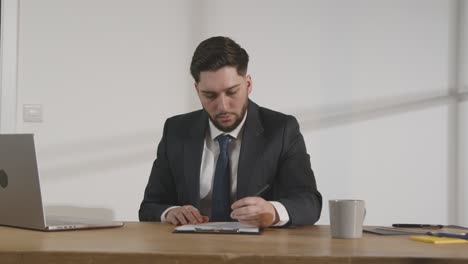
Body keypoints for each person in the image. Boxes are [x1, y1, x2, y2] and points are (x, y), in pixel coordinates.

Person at [139, 36, 322, 227]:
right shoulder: (176, 130)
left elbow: (309, 203)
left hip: (258, 252)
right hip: (190, 251)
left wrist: (273, 212)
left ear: (248, 84)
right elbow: (150, 206)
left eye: (232, 92)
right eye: (210, 95)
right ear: (197, 90)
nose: (223, 106)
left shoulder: (282, 129)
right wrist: (170, 212)